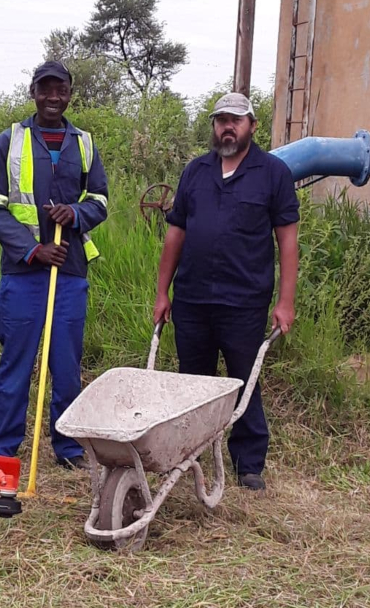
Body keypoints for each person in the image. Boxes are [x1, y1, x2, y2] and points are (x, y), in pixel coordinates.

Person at [153, 92, 299, 491]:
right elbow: (175, 233)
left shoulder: (272, 173)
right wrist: (162, 292)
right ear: (214, 126)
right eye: (221, 120)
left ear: (251, 124)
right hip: (193, 299)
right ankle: (191, 458)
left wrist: (285, 303)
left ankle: (248, 463)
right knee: (193, 384)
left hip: (244, 302)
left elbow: (287, 240)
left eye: (235, 120)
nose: (227, 127)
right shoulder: (196, 172)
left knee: (242, 381)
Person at [0, 61, 108, 469]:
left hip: (69, 272)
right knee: (16, 362)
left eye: (62, 90)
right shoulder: (10, 141)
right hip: (23, 273)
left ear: (70, 93)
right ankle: (2, 449)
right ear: (33, 91)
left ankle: (69, 448)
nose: (54, 97)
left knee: (67, 366)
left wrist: (75, 213)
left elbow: (100, 200)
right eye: (46, 89)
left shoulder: (85, 143)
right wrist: (32, 250)